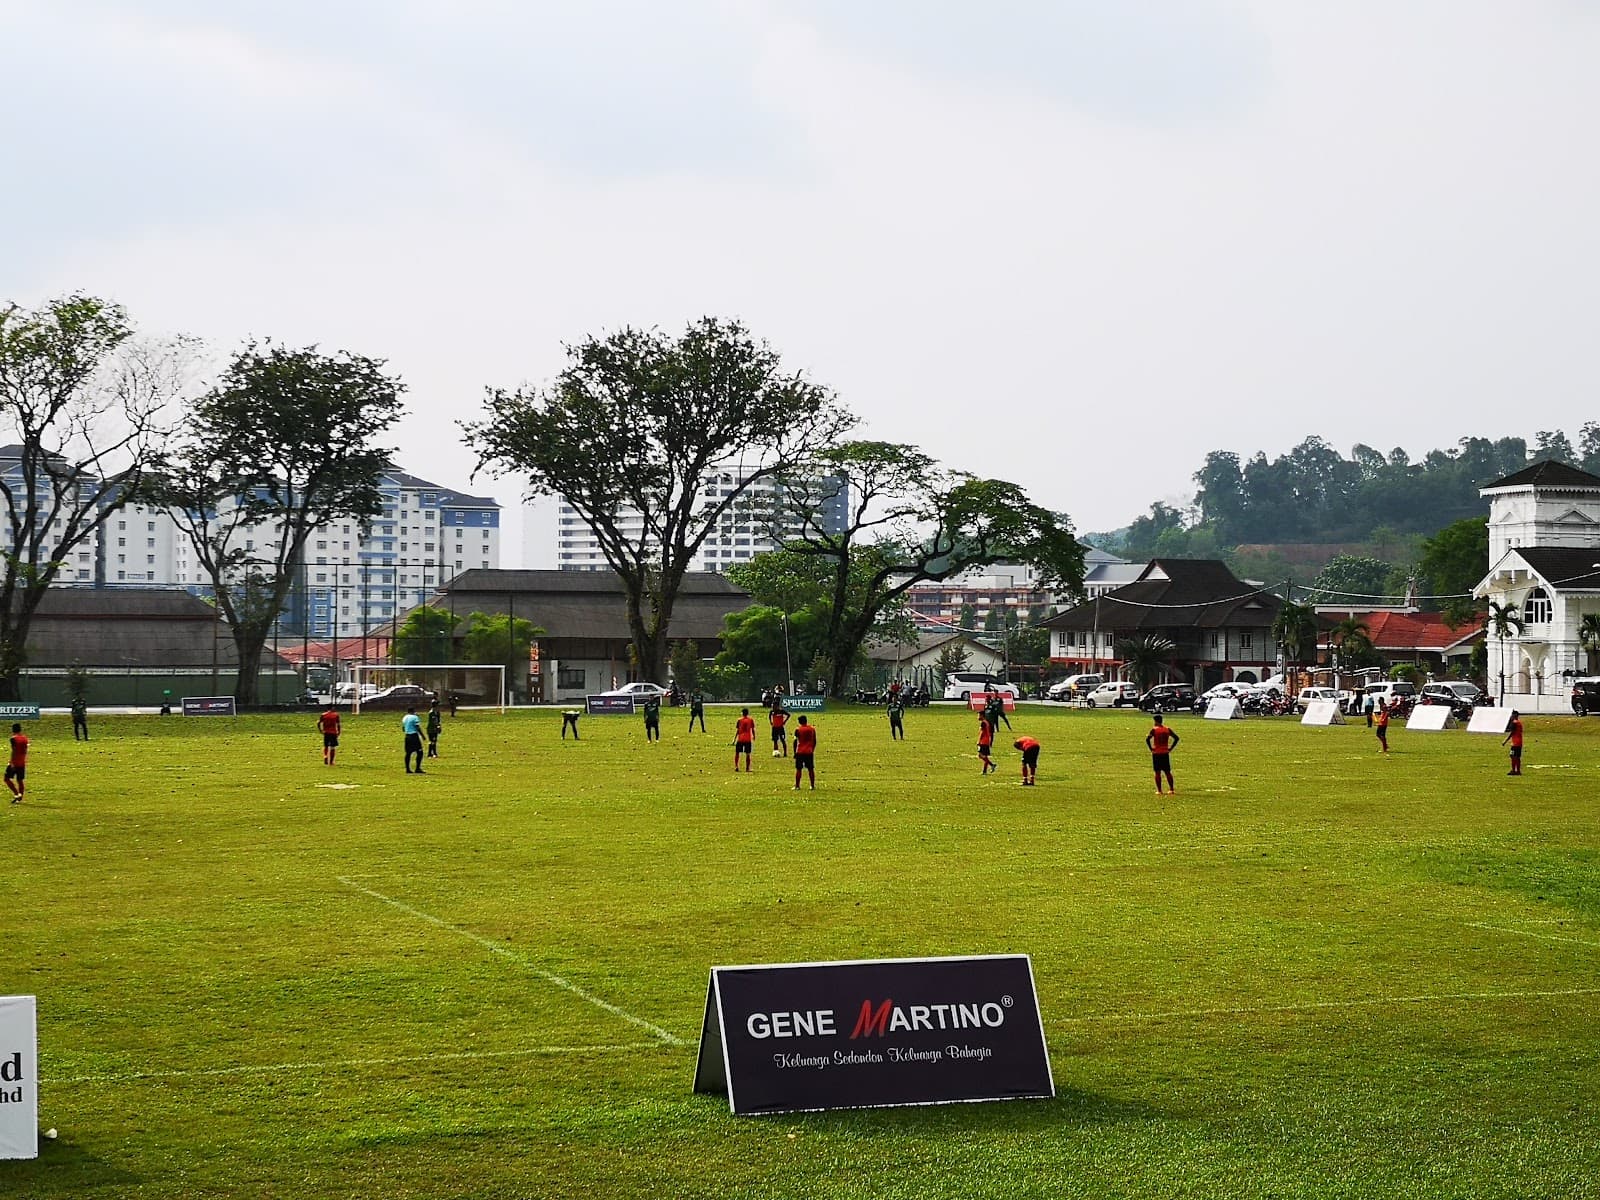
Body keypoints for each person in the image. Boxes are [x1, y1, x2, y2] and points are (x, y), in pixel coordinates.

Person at [1146, 714, 1179, 795]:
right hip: (1165, 752)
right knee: (1167, 772)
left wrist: (1151, 749)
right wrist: (1170, 748)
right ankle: (1171, 789)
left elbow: (1147, 739)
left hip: (1157, 753)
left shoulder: (1154, 730)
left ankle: (1159, 790)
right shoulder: (1167, 729)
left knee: (1157, 772)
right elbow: (1176, 738)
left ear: (1156, 721)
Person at [793, 715, 817, 789]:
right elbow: (814, 741)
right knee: (811, 769)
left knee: (799, 769)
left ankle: (797, 786)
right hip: (809, 751)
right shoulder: (812, 729)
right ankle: (812, 785)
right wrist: (812, 749)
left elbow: (795, 741)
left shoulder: (798, 730)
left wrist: (795, 752)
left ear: (799, 722)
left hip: (800, 751)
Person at [5, 722, 27, 802]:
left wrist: (11, 762)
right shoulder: (25, 738)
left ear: (13, 730)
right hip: (22, 762)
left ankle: (16, 793)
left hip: (15, 762)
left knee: (6, 779)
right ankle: (20, 796)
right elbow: (25, 750)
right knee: (20, 780)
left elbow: (14, 751)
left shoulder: (13, 739)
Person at [402, 706, 425, 774]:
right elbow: (417, 727)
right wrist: (422, 736)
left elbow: (403, 728)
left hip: (407, 736)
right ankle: (417, 768)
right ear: (413, 711)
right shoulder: (415, 717)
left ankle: (407, 769)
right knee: (420, 752)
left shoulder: (404, 717)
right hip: (414, 736)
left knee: (408, 753)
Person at [734, 707, 756, 772]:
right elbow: (752, 729)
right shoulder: (750, 720)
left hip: (740, 739)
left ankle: (736, 766)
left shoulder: (739, 720)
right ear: (747, 713)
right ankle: (747, 768)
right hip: (747, 739)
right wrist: (754, 736)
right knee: (748, 754)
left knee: (737, 753)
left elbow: (738, 730)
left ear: (742, 713)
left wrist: (735, 739)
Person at [1502, 709, 1523, 775]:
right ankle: (1518, 771)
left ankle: (1513, 770)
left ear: (1514, 715)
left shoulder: (1514, 723)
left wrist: (1505, 741)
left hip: (1515, 743)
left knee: (1513, 756)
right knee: (1517, 757)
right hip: (1519, 742)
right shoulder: (1519, 723)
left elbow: (1511, 732)